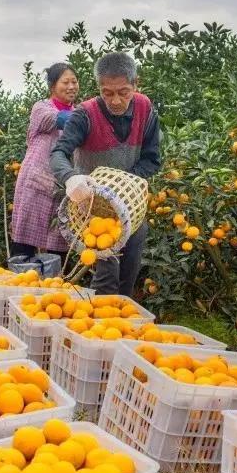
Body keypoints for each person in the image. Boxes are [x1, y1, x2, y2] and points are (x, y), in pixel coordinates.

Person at [50, 52, 161, 296]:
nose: (116, 101)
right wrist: (71, 178)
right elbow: (58, 153)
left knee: (128, 275)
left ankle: (119, 321)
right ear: (99, 87)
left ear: (135, 84)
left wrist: (126, 185)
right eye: (107, 93)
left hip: (132, 208)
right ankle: (98, 324)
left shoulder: (145, 108)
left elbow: (152, 158)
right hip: (94, 208)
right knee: (107, 274)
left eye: (123, 92)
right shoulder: (85, 114)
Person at [9, 63, 79, 265]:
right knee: (24, 245)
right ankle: (19, 288)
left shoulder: (78, 111)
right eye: (65, 82)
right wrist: (90, 116)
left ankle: (54, 291)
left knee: (58, 246)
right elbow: (63, 119)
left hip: (61, 186)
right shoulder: (41, 108)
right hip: (35, 183)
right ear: (52, 86)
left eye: (74, 81)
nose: (71, 86)